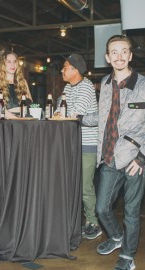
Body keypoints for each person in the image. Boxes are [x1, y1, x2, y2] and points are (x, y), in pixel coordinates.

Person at [82, 35, 145, 270]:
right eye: (113, 52)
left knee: (131, 211)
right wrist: (81, 119)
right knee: (101, 209)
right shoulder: (106, 83)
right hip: (109, 157)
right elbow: (107, 117)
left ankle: (127, 255)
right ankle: (116, 237)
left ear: (130, 55)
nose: (118, 56)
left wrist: (143, 158)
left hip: (134, 159)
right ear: (107, 57)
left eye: (123, 51)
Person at [54, 54, 100, 239]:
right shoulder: (68, 87)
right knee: (72, 184)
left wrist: (61, 113)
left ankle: (93, 222)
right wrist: (60, 112)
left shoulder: (87, 86)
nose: (62, 70)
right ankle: (77, 219)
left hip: (87, 144)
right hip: (71, 143)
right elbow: (59, 109)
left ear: (75, 70)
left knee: (85, 186)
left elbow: (74, 114)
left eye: (65, 67)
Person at [0, 50, 33, 118]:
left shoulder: (23, 82)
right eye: (9, 62)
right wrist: (17, 119)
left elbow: (31, 103)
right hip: (8, 121)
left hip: (25, 118)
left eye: (15, 61)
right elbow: (1, 109)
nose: (13, 64)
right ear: (3, 64)